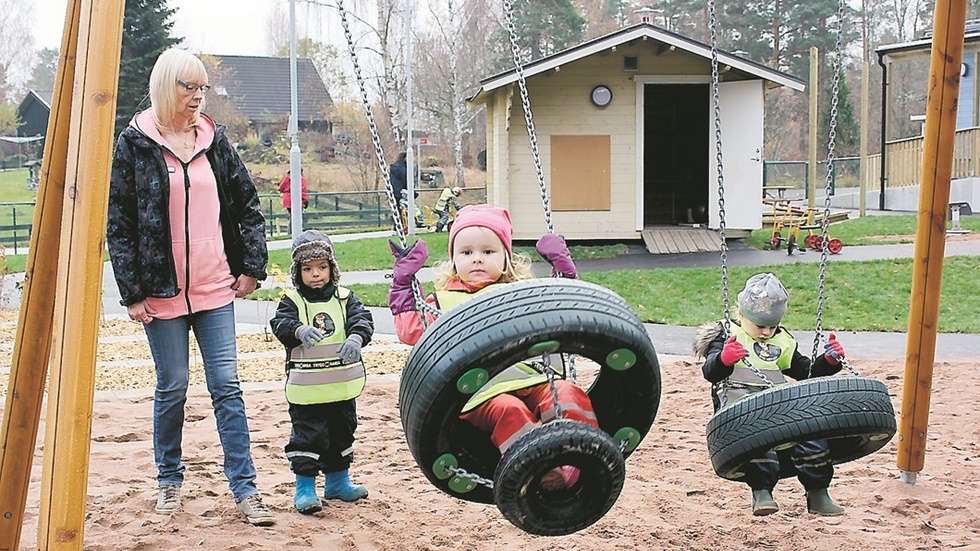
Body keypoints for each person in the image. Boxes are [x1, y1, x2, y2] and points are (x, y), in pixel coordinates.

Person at [106, 48, 275, 526]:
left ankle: (246, 491)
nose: (198, 96)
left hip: (215, 285)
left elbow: (247, 204)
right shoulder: (135, 144)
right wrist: (132, 291)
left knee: (227, 386)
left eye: (202, 87)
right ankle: (169, 481)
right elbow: (119, 223)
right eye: (189, 87)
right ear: (166, 87)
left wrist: (252, 265)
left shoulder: (213, 139)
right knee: (174, 385)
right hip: (161, 291)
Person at [388, 205, 590, 489]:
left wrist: (564, 270)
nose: (477, 259)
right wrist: (403, 281)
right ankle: (539, 469)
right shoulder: (444, 302)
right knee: (509, 410)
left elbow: (567, 311)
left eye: (488, 251)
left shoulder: (525, 294)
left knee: (567, 393)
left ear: (507, 258)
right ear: (454, 260)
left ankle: (583, 457)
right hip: (479, 393)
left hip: (535, 378)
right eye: (467, 252)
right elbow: (410, 331)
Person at [693, 272, 848, 517]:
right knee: (757, 443)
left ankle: (818, 493)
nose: (766, 332)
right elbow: (709, 371)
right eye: (760, 326)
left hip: (778, 410)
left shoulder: (783, 341)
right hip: (740, 412)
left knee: (813, 437)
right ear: (741, 315)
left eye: (771, 326)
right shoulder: (726, 335)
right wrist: (724, 359)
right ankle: (762, 492)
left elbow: (805, 373)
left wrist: (829, 361)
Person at [270, 230, 375, 514]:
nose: (315, 274)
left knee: (343, 432)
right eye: (307, 269)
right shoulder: (293, 301)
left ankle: (338, 482)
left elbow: (363, 320)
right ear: (297, 272)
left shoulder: (345, 298)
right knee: (308, 437)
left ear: (332, 268)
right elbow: (280, 324)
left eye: (321, 267)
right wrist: (297, 330)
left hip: (341, 387)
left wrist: (356, 337)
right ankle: (305, 489)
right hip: (307, 391)